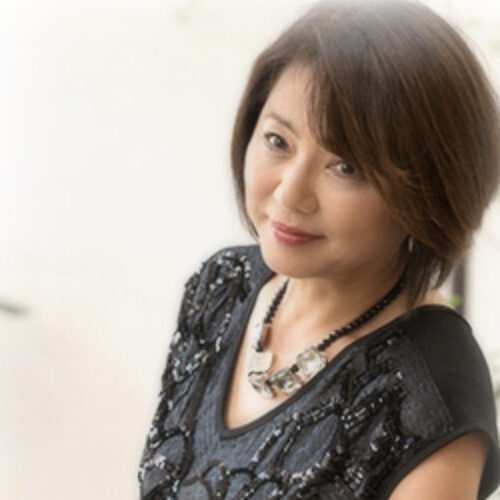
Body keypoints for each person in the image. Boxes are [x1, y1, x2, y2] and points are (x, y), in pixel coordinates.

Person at [137, 1, 500, 498]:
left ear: (427, 191)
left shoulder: (428, 400)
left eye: (346, 167)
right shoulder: (221, 288)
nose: (290, 194)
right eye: (278, 141)